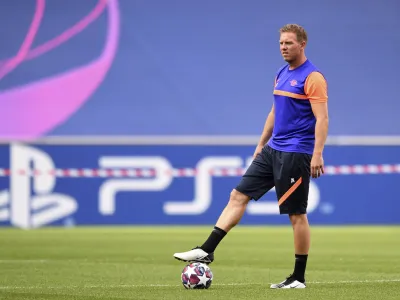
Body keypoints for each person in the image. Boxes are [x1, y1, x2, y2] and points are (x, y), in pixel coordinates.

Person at [173, 24, 329, 289]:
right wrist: (261, 144)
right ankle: (207, 250)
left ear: (302, 45)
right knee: (238, 195)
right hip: (272, 150)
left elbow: (322, 118)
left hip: (295, 153)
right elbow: (274, 112)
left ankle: (298, 277)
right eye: (281, 43)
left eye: (289, 43)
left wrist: (317, 154)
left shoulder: (313, 77)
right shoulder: (281, 73)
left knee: (296, 215)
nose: (283, 47)